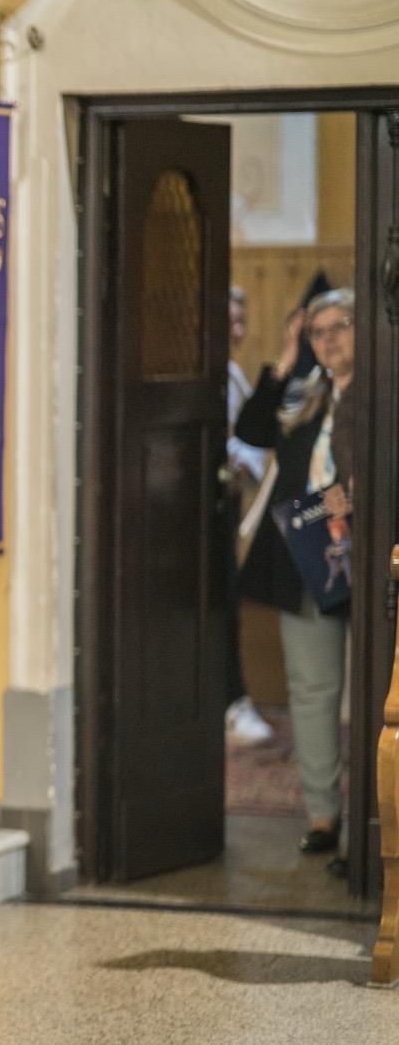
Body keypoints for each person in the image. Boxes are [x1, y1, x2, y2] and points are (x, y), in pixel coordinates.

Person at [235, 288, 355, 856]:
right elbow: (252, 428)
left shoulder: (382, 391)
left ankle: (377, 819)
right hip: (307, 558)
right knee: (312, 689)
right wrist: (286, 358)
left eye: (340, 327)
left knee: (379, 692)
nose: (328, 340)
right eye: (317, 332)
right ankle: (323, 816)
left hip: (369, 558)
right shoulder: (305, 395)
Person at [223, 287, 274, 746]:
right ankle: (229, 703)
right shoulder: (213, 378)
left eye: (241, 321)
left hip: (232, 504)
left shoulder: (234, 373)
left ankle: (233, 701)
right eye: (229, 321)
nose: (237, 331)